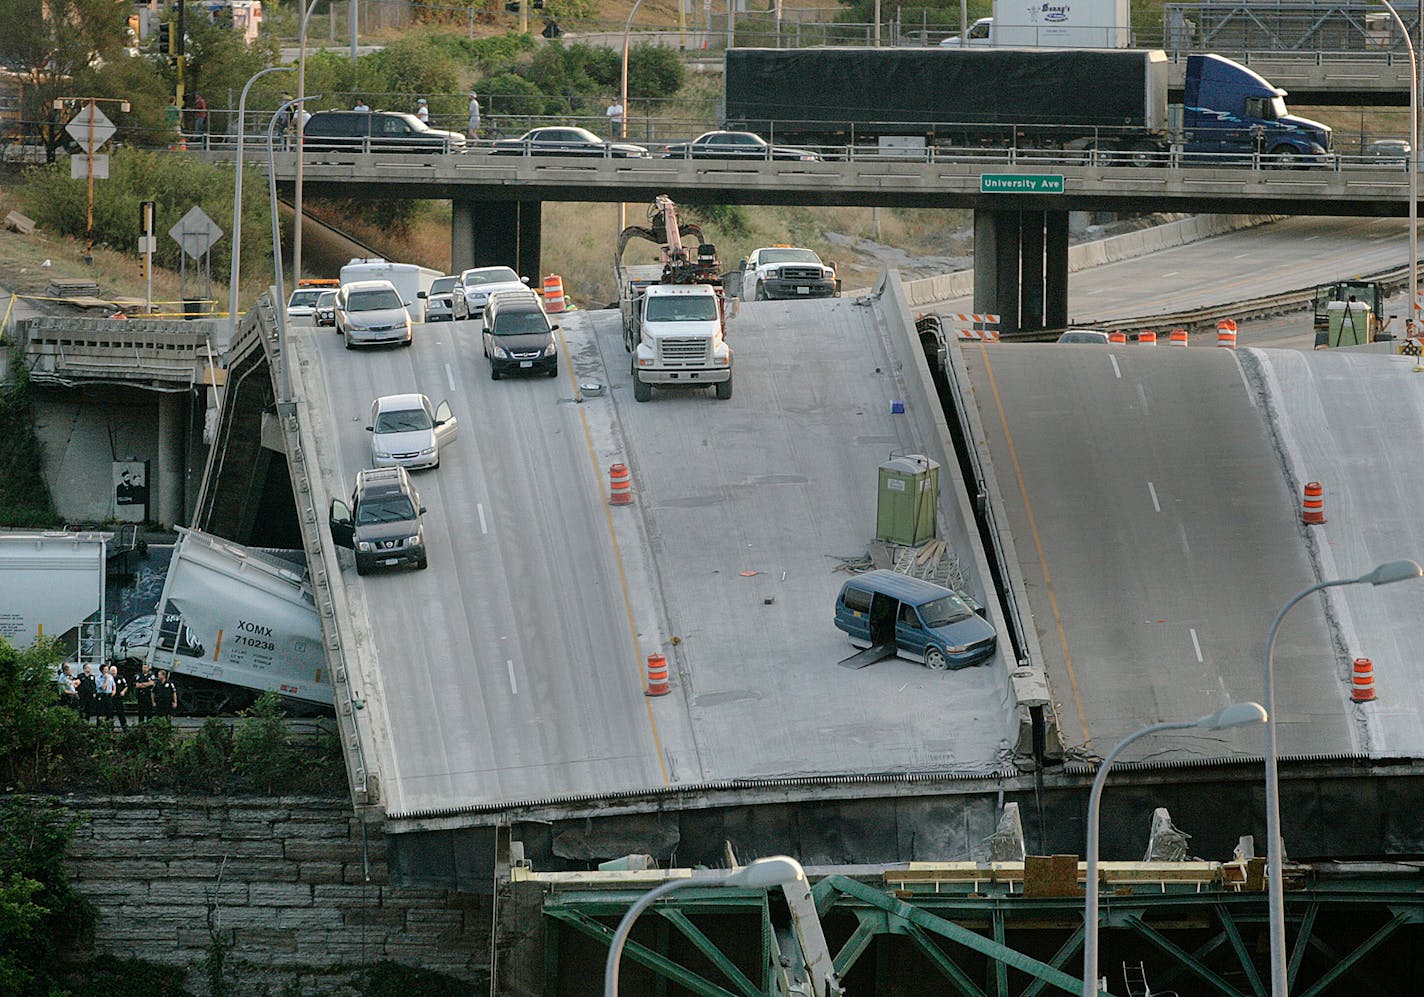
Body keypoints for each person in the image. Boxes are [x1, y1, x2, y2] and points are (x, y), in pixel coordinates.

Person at [109, 665, 129, 729]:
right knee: (110, 713)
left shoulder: (120, 678)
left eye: (114, 671)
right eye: (112, 671)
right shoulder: (108, 678)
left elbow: (126, 686)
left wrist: (123, 691)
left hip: (118, 698)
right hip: (110, 698)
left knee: (121, 713)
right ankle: (110, 727)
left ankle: (124, 727)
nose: (113, 672)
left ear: (117, 671)